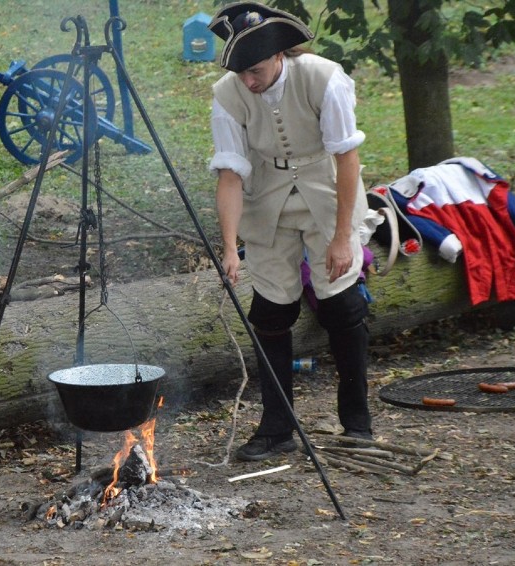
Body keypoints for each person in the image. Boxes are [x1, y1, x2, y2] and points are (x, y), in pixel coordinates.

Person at [207, 3, 373, 461]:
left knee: (342, 303)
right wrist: (229, 247)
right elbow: (230, 174)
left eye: (256, 71)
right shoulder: (228, 94)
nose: (248, 82)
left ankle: (357, 422)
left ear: (279, 56)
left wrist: (342, 236)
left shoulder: (325, 78)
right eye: (241, 73)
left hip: (327, 189)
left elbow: (346, 158)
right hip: (268, 198)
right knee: (271, 311)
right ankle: (277, 427)